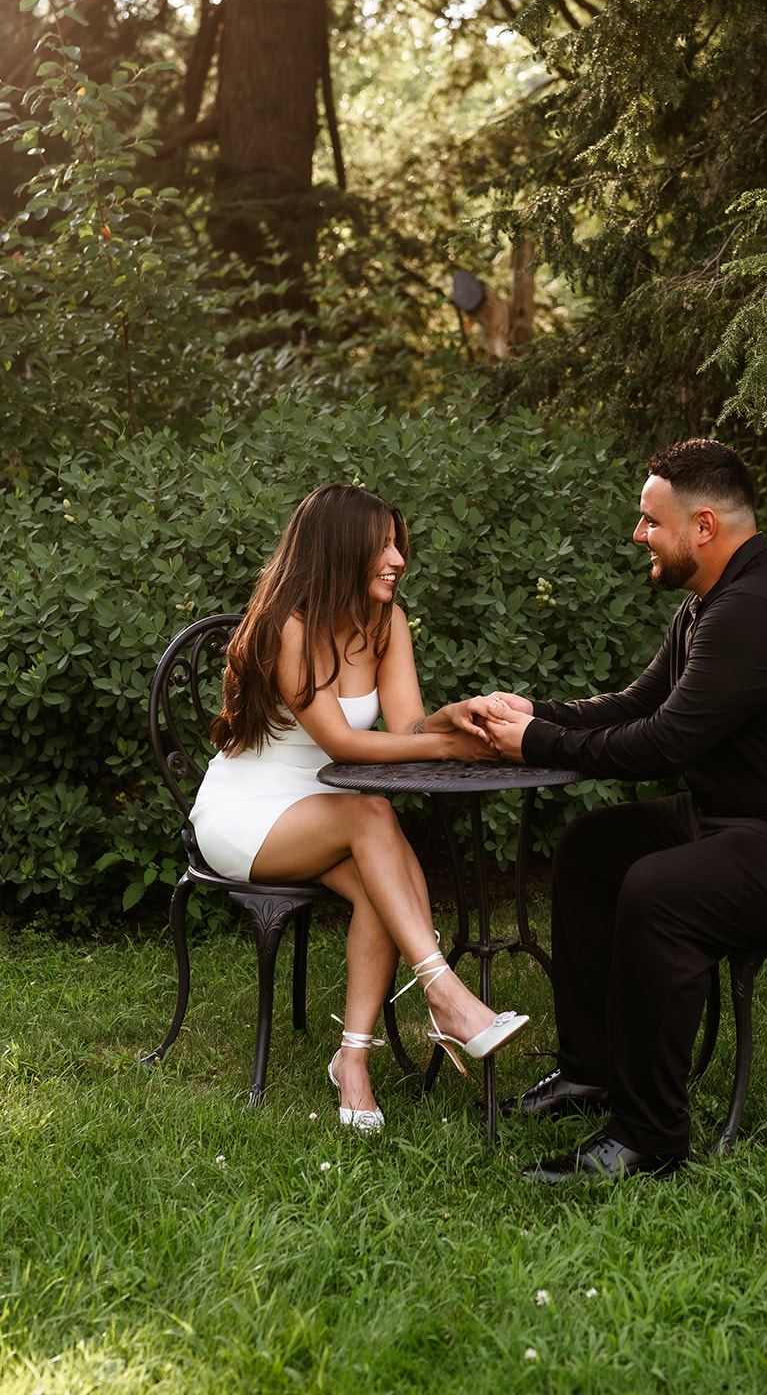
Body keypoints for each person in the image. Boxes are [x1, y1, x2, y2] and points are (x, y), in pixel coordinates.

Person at [458, 439, 767, 1181]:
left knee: (660, 891)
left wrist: (534, 741)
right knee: (592, 848)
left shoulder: (754, 609)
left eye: (650, 522)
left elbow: (665, 743)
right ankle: (592, 1071)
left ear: (702, 526)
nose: (638, 535)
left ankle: (647, 1139)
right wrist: (533, 711)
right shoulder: (707, 605)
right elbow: (640, 705)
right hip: (759, 816)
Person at [189, 482, 528, 1132]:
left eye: (398, 543)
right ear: (338, 552)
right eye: (382, 547)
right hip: (248, 812)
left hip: (326, 814)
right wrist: (452, 743)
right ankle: (444, 994)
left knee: (379, 876)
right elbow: (343, 742)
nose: (399, 558)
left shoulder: (385, 622)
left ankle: (354, 1061)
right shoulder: (287, 626)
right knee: (373, 814)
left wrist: (452, 721)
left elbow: (403, 728)